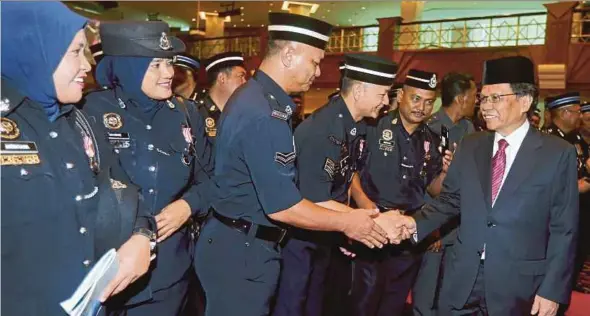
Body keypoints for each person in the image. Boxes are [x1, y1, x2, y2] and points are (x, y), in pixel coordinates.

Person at [194, 12, 390, 316]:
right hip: (241, 251)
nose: (318, 70)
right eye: (314, 61)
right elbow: (283, 206)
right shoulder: (263, 112)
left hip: (240, 244)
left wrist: (357, 217)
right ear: (288, 54)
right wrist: (349, 223)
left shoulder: (259, 99)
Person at [1, 2, 153, 315]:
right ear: (34, 50)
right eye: (75, 52)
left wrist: (142, 237)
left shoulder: (84, 122)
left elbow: (126, 192)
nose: (87, 65)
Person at [402, 56, 579, 316]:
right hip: (462, 278)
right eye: (483, 98)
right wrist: (411, 225)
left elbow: (564, 228)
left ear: (525, 101)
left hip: (518, 284)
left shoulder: (557, 153)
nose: (485, 106)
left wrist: (552, 290)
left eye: (495, 98)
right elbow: (450, 200)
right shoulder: (471, 144)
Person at [81, 21, 213, 316]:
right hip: (105, 272)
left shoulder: (187, 114)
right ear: (127, 67)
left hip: (168, 274)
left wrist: (189, 205)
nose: (169, 73)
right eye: (155, 65)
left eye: (169, 63)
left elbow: (213, 179)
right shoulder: (88, 113)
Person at [273, 54, 398, 316]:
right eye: (383, 94)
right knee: (294, 306)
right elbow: (315, 199)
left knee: (318, 305)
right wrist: (368, 221)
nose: (386, 102)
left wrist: (359, 209)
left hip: (324, 236)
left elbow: (346, 173)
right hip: (301, 239)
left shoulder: (351, 127)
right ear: (361, 90)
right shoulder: (323, 130)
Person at [346, 69, 452, 316]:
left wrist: (446, 172)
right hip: (374, 225)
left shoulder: (433, 140)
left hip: (408, 230)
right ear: (401, 95)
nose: (421, 107)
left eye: (428, 102)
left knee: (393, 304)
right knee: (364, 302)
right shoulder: (373, 127)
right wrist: (364, 207)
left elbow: (433, 187)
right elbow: (352, 171)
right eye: (416, 99)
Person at [413, 71, 476, 316]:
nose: (476, 101)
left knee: (452, 289)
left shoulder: (468, 127)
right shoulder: (431, 128)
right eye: (473, 96)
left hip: (460, 222)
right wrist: (433, 226)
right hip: (436, 223)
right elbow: (423, 183)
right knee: (427, 289)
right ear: (461, 98)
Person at [195, 52, 247, 144]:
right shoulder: (197, 113)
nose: (245, 82)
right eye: (240, 76)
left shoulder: (242, 113)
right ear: (222, 78)